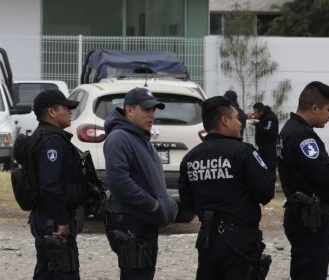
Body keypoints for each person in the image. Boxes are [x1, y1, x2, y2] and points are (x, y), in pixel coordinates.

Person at [178, 96, 275, 280]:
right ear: (224, 120)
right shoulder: (243, 152)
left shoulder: (191, 158)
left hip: (207, 240)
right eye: (236, 118)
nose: (240, 123)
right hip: (240, 241)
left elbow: (187, 201)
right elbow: (265, 191)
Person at [278, 81, 329, 280]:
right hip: (309, 219)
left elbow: (309, 169)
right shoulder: (302, 136)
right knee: (310, 272)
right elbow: (323, 176)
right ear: (314, 108)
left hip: (302, 215)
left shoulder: (291, 130)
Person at [103, 87, 177, 280]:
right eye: (146, 109)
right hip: (132, 223)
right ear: (129, 110)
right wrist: (152, 204)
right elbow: (119, 180)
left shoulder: (141, 138)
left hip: (146, 223)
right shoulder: (119, 138)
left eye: (153, 110)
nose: (151, 114)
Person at [24, 89, 85, 280]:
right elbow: (50, 185)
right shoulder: (52, 141)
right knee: (63, 271)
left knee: (46, 271)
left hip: (44, 217)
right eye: (66, 108)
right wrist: (62, 221)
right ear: (51, 111)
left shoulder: (41, 136)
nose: (70, 112)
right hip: (52, 220)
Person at [249, 102, 280, 173]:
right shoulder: (262, 117)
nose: (254, 114)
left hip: (270, 148)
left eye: (255, 112)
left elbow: (268, 131)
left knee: (269, 168)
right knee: (262, 167)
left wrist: (257, 124)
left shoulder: (270, 117)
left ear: (261, 111)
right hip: (262, 148)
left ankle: (271, 182)